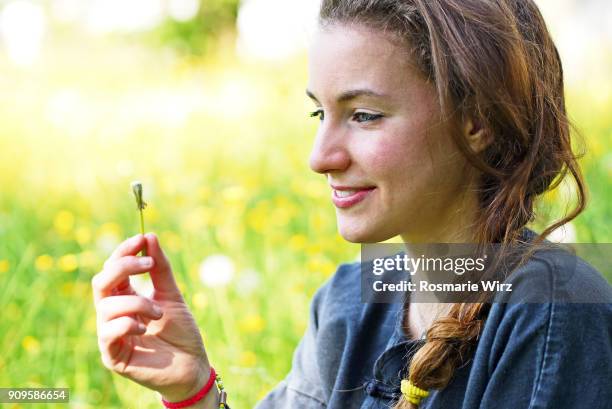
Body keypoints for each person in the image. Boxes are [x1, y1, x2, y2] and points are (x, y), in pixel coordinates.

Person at [91, 0, 612, 408]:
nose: (320, 158)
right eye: (320, 115)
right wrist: (194, 390)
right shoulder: (349, 302)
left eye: (364, 115)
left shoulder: (552, 308)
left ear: (477, 121)